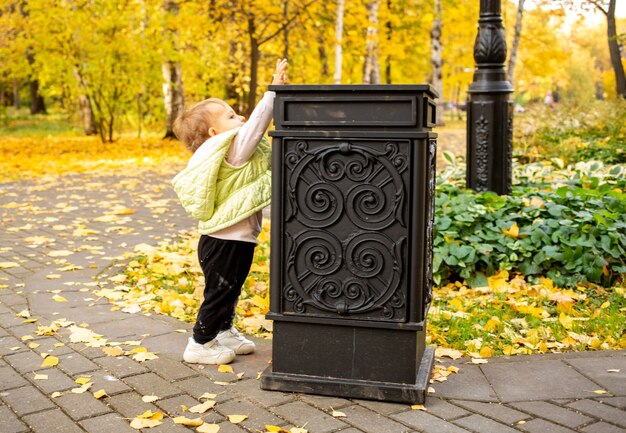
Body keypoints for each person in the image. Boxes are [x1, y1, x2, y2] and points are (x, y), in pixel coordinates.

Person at [172, 59, 288, 364]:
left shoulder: (225, 154)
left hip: (230, 239)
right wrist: (273, 92)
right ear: (214, 131)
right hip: (226, 242)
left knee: (231, 289)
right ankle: (199, 342)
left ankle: (222, 332)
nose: (242, 117)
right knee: (220, 292)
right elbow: (255, 128)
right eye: (232, 116)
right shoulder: (232, 150)